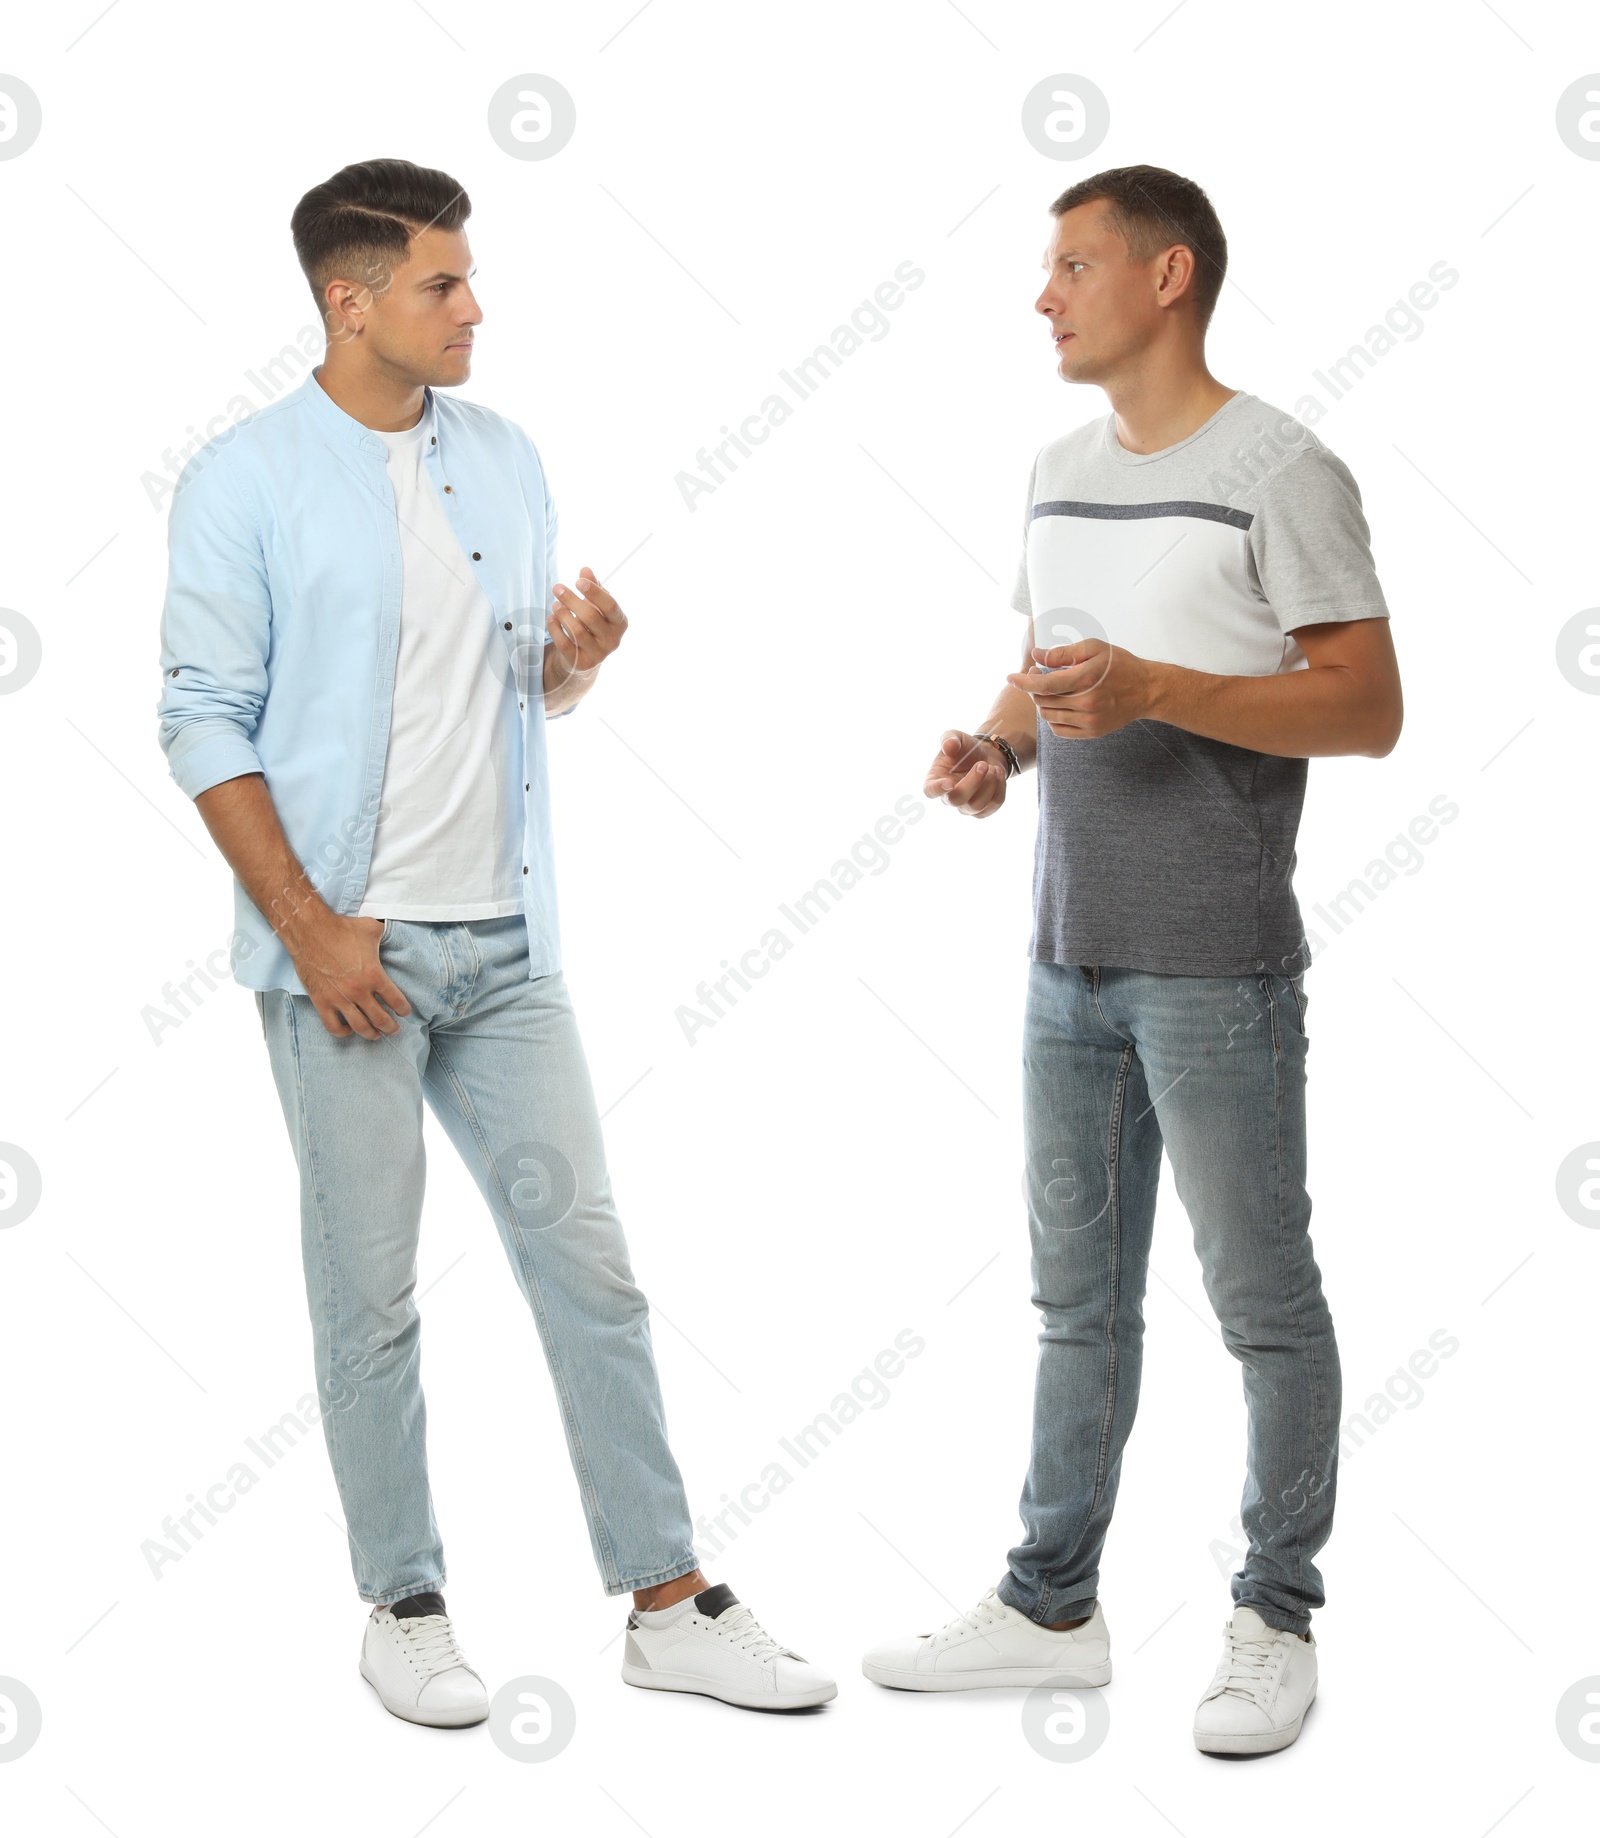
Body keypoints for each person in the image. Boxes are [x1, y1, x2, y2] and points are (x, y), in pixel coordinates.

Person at [156, 157, 834, 1726]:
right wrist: (314, 932)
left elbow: (516, 690)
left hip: (509, 945)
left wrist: (575, 665)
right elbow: (201, 718)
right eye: (441, 285)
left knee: (588, 1269)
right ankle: (403, 1602)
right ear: (350, 300)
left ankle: (667, 1597)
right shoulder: (243, 479)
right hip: (351, 955)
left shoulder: (509, 459)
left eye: (468, 278)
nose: (474, 307)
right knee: (371, 1293)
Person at [861, 165, 1402, 1756]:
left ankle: (1274, 1615)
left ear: (1169, 277)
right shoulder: (1053, 468)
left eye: (1072, 265)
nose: (1045, 294)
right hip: (1064, 955)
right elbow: (1051, 665)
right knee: (1075, 1306)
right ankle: (1051, 1607)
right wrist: (998, 746)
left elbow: (1368, 709)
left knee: (1263, 1303)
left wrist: (1163, 684)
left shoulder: (1282, 467)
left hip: (1217, 966)